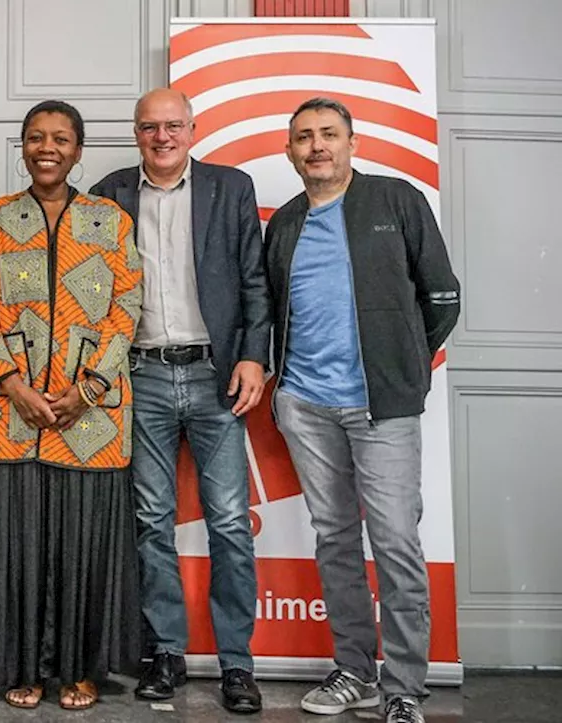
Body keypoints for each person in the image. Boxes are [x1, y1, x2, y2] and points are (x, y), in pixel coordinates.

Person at [265, 97, 460, 723]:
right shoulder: (286, 223)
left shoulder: (396, 200)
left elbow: (442, 298)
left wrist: (400, 364)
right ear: (290, 150)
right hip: (306, 405)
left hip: (382, 407)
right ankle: (355, 671)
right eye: (304, 137)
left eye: (328, 134)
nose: (316, 145)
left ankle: (403, 687)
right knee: (336, 541)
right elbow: (272, 309)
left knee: (397, 541)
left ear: (351, 142)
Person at [90, 87, 269, 714]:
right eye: (149, 128)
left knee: (227, 521)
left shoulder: (231, 187)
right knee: (151, 521)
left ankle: (236, 664)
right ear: (136, 133)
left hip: (217, 374)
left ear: (193, 129)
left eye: (173, 126)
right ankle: (164, 653)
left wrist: (253, 355)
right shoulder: (110, 193)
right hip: (141, 378)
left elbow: (255, 278)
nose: (161, 137)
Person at [0, 99, 144, 712]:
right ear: (21, 146)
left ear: (78, 149)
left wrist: (88, 388)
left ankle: (79, 670)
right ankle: (24, 668)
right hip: (8, 414)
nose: (48, 147)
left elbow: (127, 307)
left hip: (90, 418)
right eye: (36, 137)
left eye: (61, 138)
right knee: (16, 544)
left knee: (81, 547)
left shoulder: (110, 220)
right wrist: (13, 383)